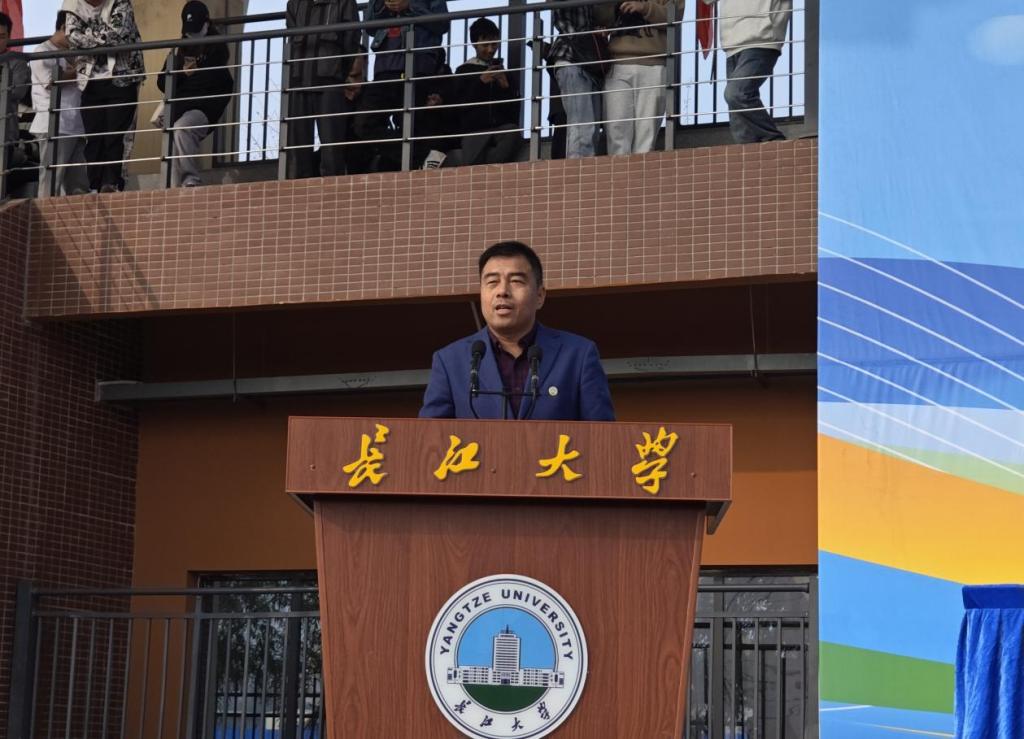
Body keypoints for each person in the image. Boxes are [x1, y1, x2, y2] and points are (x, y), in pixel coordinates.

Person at [420, 241, 615, 421]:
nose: (502, 291)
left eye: (516, 281)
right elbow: (430, 437)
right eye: (492, 282)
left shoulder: (578, 355)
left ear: (539, 296)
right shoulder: (449, 361)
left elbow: (601, 436)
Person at [353, 0, 449, 171]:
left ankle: (417, 160)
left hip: (418, 65)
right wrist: (383, 6)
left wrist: (409, 6)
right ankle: (422, 155)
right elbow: (369, 26)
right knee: (364, 123)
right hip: (385, 66)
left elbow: (442, 23)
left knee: (414, 124)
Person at [63, 0, 145, 192]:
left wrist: (87, 36)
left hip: (122, 79)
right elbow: (72, 36)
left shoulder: (120, 2)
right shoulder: (72, 6)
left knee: (115, 136)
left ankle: (112, 184)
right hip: (89, 81)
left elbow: (118, 34)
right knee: (94, 137)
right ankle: (94, 185)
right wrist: (101, 37)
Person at [156, 1, 233, 188]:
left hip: (202, 109)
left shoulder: (216, 48)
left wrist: (188, 77)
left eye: (195, 29)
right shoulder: (179, 48)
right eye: (189, 30)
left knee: (182, 128)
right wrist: (183, 73)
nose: (192, 34)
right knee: (174, 135)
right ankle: (174, 187)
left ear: (207, 24)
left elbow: (210, 83)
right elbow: (162, 82)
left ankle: (190, 180)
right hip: (181, 108)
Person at [284, 0, 361, 178]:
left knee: (332, 148)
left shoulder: (344, 2)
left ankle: (332, 189)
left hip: (330, 80)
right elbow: (292, 39)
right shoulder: (295, 3)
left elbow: (351, 38)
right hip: (299, 80)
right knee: (298, 149)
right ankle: (299, 189)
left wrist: (338, 70)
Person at [703, 0, 791, 144]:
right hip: (732, 42)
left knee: (736, 94)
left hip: (762, 39)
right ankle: (750, 151)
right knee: (739, 123)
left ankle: (774, 138)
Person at [596, 0, 670, 155]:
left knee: (646, 135)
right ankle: (619, 171)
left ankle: (640, 171)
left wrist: (644, 7)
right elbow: (601, 17)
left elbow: (674, 15)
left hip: (654, 62)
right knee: (616, 131)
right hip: (617, 61)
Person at [30, 11, 90, 196]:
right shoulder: (42, 51)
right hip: (54, 125)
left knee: (79, 185)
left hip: (75, 126)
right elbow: (50, 81)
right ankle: (44, 214)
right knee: (51, 182)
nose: (79, 39)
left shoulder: (74, 53)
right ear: (64, 28)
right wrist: (79, 70)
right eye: (77, 33)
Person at [453, 18, 522, 166]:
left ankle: (490, 170)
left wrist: (506, 87)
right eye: (485, 45)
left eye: (494, 44)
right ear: (474, 44)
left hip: (501, 129)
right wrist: (480, 82)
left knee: (513, 132)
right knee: (472, 167)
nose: (490, 50)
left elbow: (515, 111)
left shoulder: (505, 73)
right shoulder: (464, 71)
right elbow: (457, 105)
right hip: (474, 130)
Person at [546, 0, 605, 159]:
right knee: (582, 124)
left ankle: (584, 165)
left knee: (591, 128)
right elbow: (561, 20)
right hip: (571, 58)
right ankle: (579, 168)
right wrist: (588, 37)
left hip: (588, 63)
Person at [0, 11, 31, 178]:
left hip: (5, 135)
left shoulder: (17, 62)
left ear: (9, 37)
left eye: (2, 36)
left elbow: (18, 91)